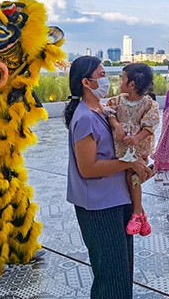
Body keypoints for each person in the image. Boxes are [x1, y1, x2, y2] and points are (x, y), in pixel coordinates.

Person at [65, 56, 153, 299]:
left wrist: (137, 167)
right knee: (111, 278)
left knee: (122, 273)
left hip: (117, 200)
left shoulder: (103, 112)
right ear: (86, 82)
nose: (107, 80)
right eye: (101, 75)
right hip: (98, 207)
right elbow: (88, 168)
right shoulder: (84, 118)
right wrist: (128, 163)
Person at [105, 63, 160, 237]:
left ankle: (137, 213)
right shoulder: (118, 100)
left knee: (133, 177)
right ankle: (142, 215)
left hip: (138, 149)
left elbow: (150, 125)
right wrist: (117, 126)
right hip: (123, 148)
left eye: (122, 78)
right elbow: (109, 112)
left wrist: (136, 138)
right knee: (129, 179)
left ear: (132, 85)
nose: (120, 82)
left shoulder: (148, 104)